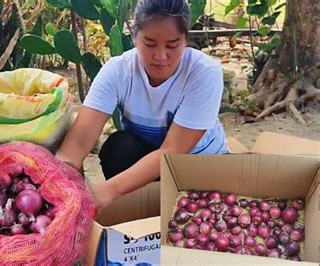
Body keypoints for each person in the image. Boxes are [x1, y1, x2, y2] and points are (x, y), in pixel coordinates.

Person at [56, 0, 229, 214]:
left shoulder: (204, 72)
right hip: (150, 165)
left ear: (185, 40)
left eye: (172, 45)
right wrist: (56, 183)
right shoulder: (117, 71)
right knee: (118, 148)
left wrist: (108, 190)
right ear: (135, 36)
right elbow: (77, 144)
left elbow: (173, 150)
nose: (161, 56)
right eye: (149, 43)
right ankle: (143, 211)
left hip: (200, 166)